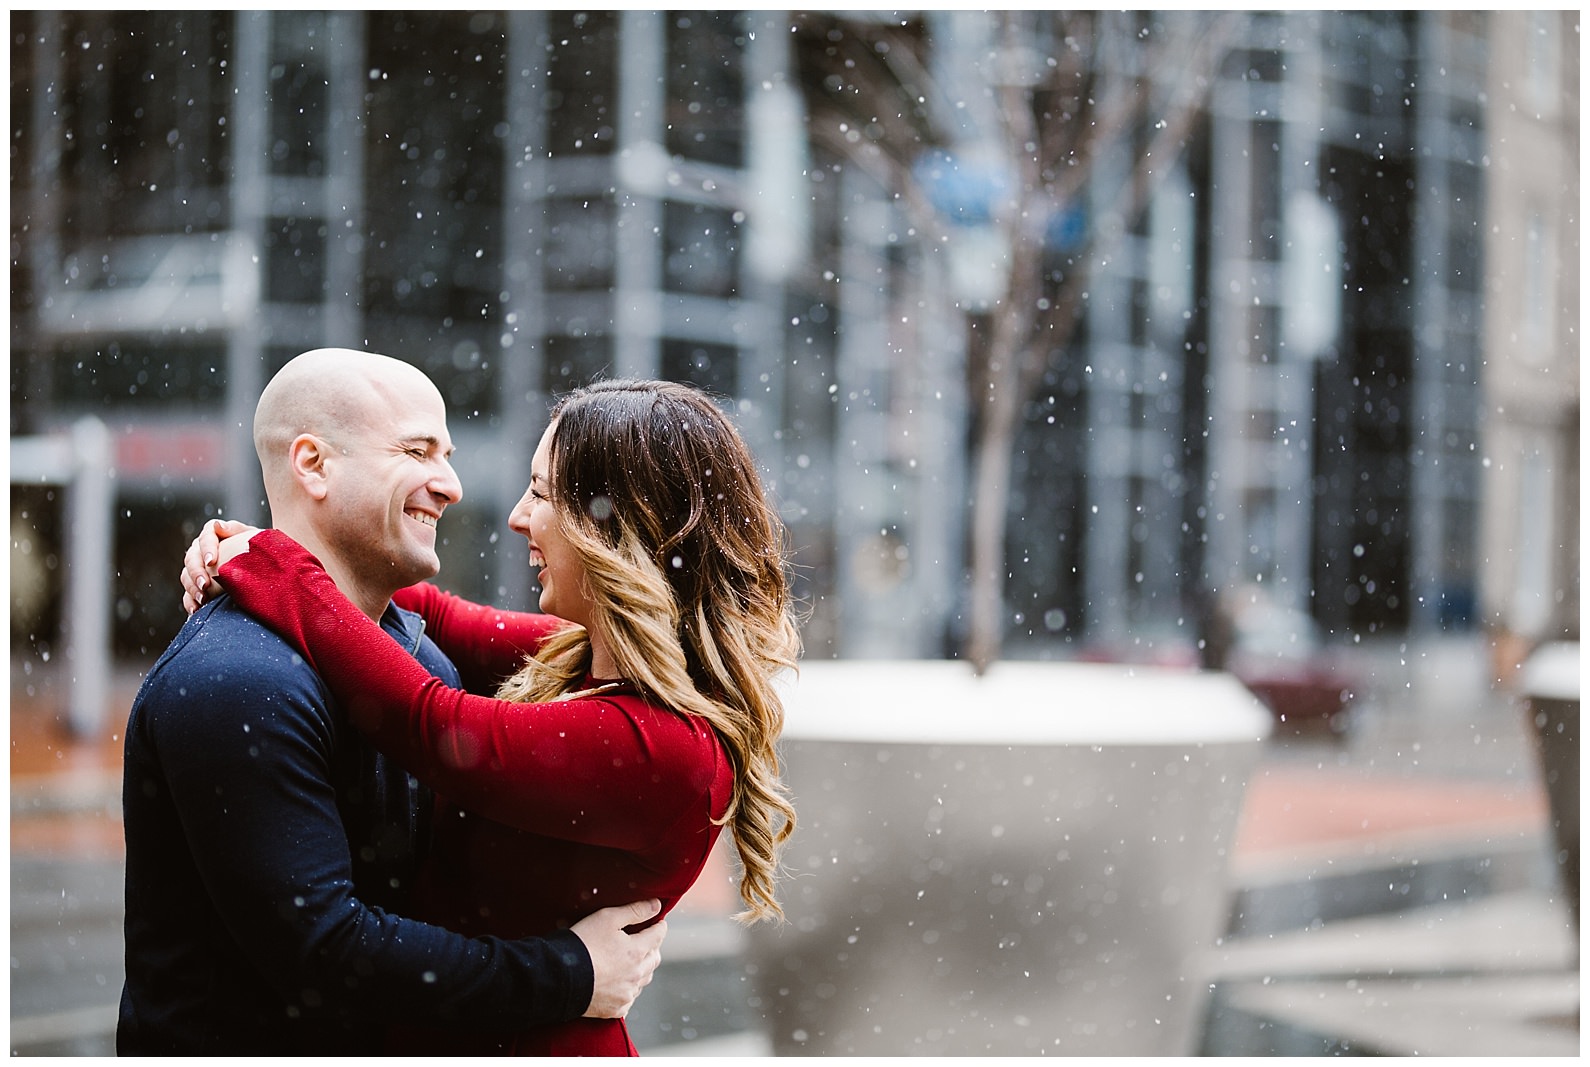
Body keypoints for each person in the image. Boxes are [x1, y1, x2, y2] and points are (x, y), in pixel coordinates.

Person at [182, 377, 801, 1056]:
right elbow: (433, 614)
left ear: (615, 525)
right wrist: (280, 551)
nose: (515, 516)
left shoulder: (663, 746)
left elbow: (428, 722)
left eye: (540, 494)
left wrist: (278, 570)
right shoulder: (575, 661)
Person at [120, 349, 666, 1055]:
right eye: (418, 450)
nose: (452, 485)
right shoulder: (236, 679)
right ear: (311, 464)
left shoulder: (414, 649)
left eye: (448, 452)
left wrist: (267, 557)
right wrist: (567, 971)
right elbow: (326, 949)